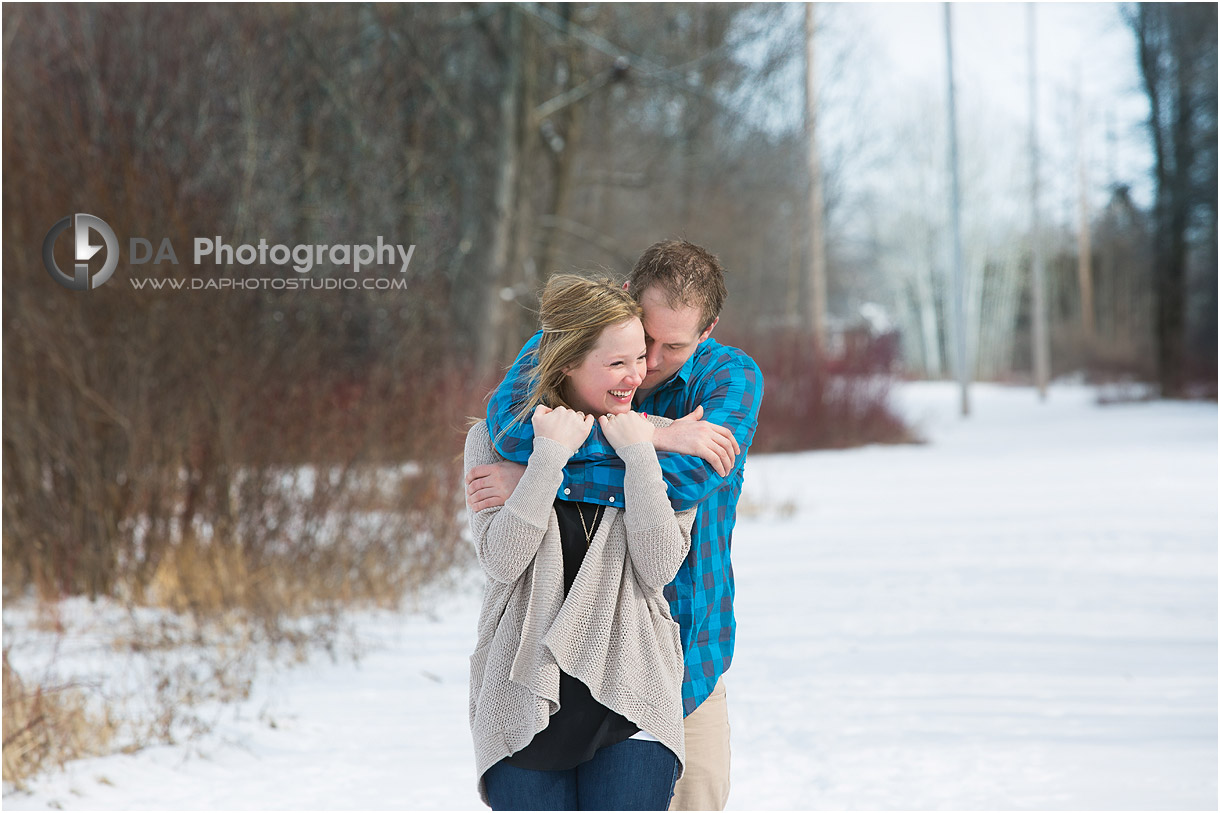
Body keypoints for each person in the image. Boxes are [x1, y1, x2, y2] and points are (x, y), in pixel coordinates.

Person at [467, 240, 763, 811]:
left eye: (671, 346)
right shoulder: (571, 339)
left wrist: (544, 475)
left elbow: (680, 482)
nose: (648, 362)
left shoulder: (729, 380)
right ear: (626, 298)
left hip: (682, 643)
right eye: (641, 337)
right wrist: (654, 433)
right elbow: (507, 433)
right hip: (557, 658)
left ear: (708, 330)